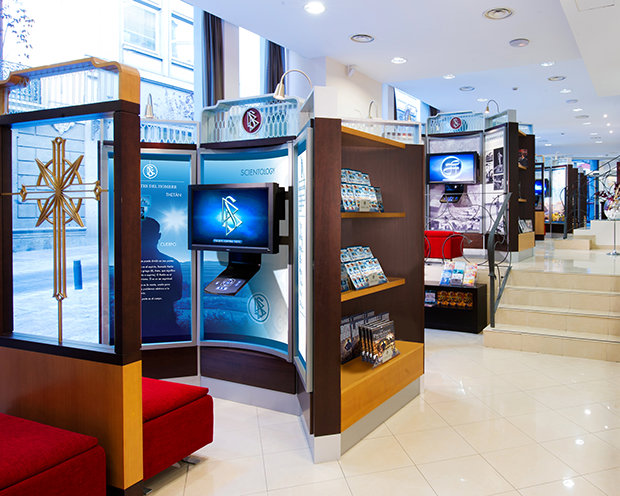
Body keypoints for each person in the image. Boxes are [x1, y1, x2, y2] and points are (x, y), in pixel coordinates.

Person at [141, 217, 183, 342]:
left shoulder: (127, 264)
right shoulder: (172, 263)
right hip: (165, 324)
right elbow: (177, 295)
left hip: (137, 325)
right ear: (158, 236)